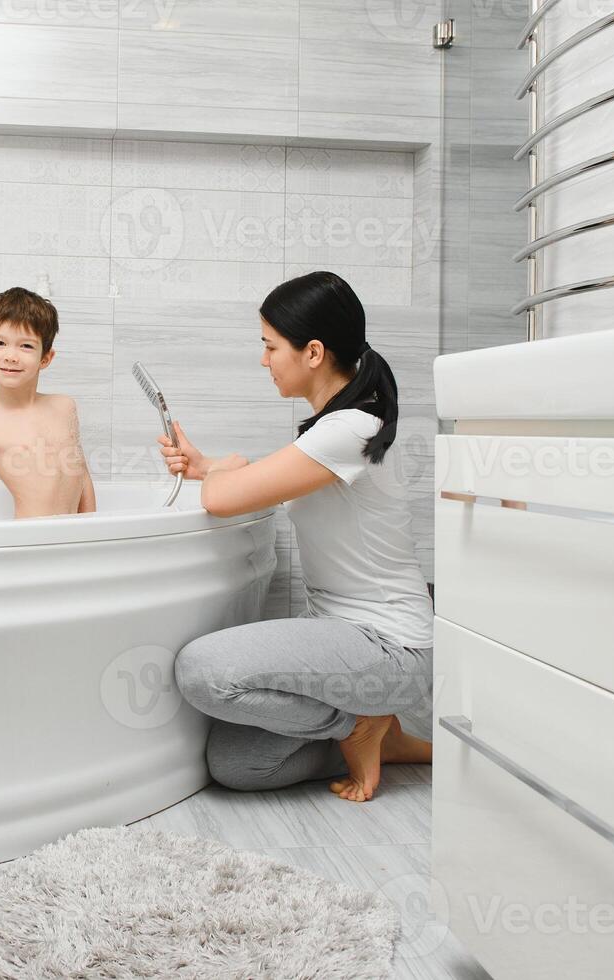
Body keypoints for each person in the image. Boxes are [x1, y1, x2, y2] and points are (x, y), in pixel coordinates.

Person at [160, 271, 434, 803]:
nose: (263, 360)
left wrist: (223, 473)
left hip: (388, 644)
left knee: (203, 672)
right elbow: (249, 480)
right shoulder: (334, 430)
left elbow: (222, 497)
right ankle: (391, 738)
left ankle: (359, 725)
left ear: (312, 352)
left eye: (270, 346)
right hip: (342, 634)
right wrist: (210, 465)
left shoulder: (349, 430)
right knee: (239, 765)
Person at [0, 287, 96, 522]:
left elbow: (81, 478)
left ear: (46, 358)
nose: (11, 355)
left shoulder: (64, 407)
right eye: (0, 343)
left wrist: (94, 533)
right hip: (30, 544)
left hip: (75, 541)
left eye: (26, 346)